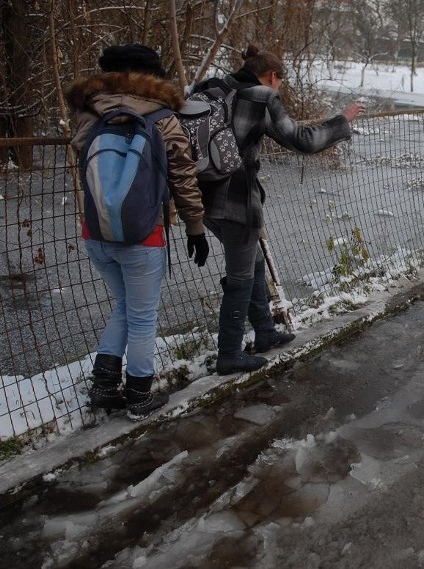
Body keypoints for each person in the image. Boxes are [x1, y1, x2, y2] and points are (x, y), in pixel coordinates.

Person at [194, 44, 365, 375]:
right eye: (280, 83)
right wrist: (342, 121)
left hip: (201, 197)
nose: (278, 88)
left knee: (253, 261)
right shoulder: (260, 97)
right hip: (237, 202)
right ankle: (228, 354)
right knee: (241, 275)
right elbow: (302, 140)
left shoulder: (212, 89)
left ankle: (265, 330)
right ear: (273, 76)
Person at [65, 44, 209, 420]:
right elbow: (183, 176)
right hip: (143, 235)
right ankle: (140, 396)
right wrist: (195, 227)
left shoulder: (86, 112)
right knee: (143, 316)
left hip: (96, 232)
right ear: (152, 77)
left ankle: (104, 386)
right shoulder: (162, 117)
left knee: (125, 306)